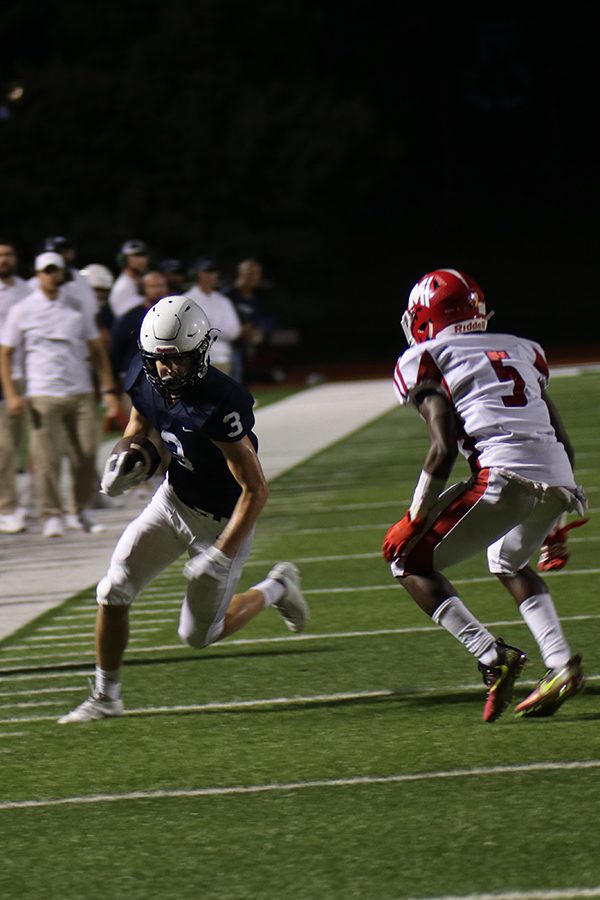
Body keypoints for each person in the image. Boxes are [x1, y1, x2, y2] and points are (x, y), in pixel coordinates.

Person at [58, 294, 309, 723]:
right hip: (174, 499)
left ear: (203, 351)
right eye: (160, 360)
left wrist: (221, 553)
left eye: (179, 361)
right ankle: (106, 696)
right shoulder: (144, 372)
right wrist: (126, 458)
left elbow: (256, 489)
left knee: (198, 635)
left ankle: (276, 589)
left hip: (222, 522)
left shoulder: (220, 402)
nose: (168, 370)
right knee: (112, 588)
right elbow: (141, 423)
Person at [382, 268, 587, 723]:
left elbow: (441, 447)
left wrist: (415, 517)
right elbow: (561, 440)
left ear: (424, 318)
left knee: (405, 561)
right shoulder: (522, 349)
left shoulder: (425, 356)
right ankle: (560, 666)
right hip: (559, 478)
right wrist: (555, 524)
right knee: (508, 561)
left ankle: (492, 657)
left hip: (502, 475)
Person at [0, 252, 122, 537]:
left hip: (79, 391)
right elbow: (5, 353)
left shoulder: (76, 308)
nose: (53, 276)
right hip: (43, 392)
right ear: (38, 275)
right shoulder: (23, 309)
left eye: (57, 271)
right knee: (46, 459)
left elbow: (96, 350)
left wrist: (108, 390)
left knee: (88, 453)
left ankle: (79, 510)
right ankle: (50, 514)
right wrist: (12, 394)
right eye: (47, 271)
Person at [0, 240, 30, 533]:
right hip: (4, 373)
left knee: (34, 444)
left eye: (8, 254)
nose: (4, 260)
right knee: (4, 446)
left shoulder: (26, 289)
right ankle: (7, 507)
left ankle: (33, 502)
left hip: (30, 373)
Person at [110, 270, 169, 387]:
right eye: (152, 286)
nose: (158, 290)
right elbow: (117, 347)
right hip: (136, 377)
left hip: (165, 377)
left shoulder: (172, 314)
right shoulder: (131, 316)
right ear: (143, 290)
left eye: (161, 286)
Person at [186, 258, 241, 375]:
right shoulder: (188, 299)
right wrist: (218, 326)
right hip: (198, 359)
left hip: (224, 358)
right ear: (198, 274)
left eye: (213, 272)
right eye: (206, 272)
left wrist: (208, 324)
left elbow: (234, 331)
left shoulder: (223, 300)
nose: (210, 276)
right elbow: (191, 331)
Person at [222, 258, 271, 384]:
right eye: (250, 272)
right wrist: (238, 328)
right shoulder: (228, 294)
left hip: (242, 346)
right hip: (222, 345)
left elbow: (261, 322)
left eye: (257, 273)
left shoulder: (257, 298)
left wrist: (255, 331)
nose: (254, 276)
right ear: (241, 273)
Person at [108, 239, 150, 318]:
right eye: (136, 256)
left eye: (143, 255)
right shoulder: (122, 288)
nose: (142, 260)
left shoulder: (142, 282)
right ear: (124, 259)